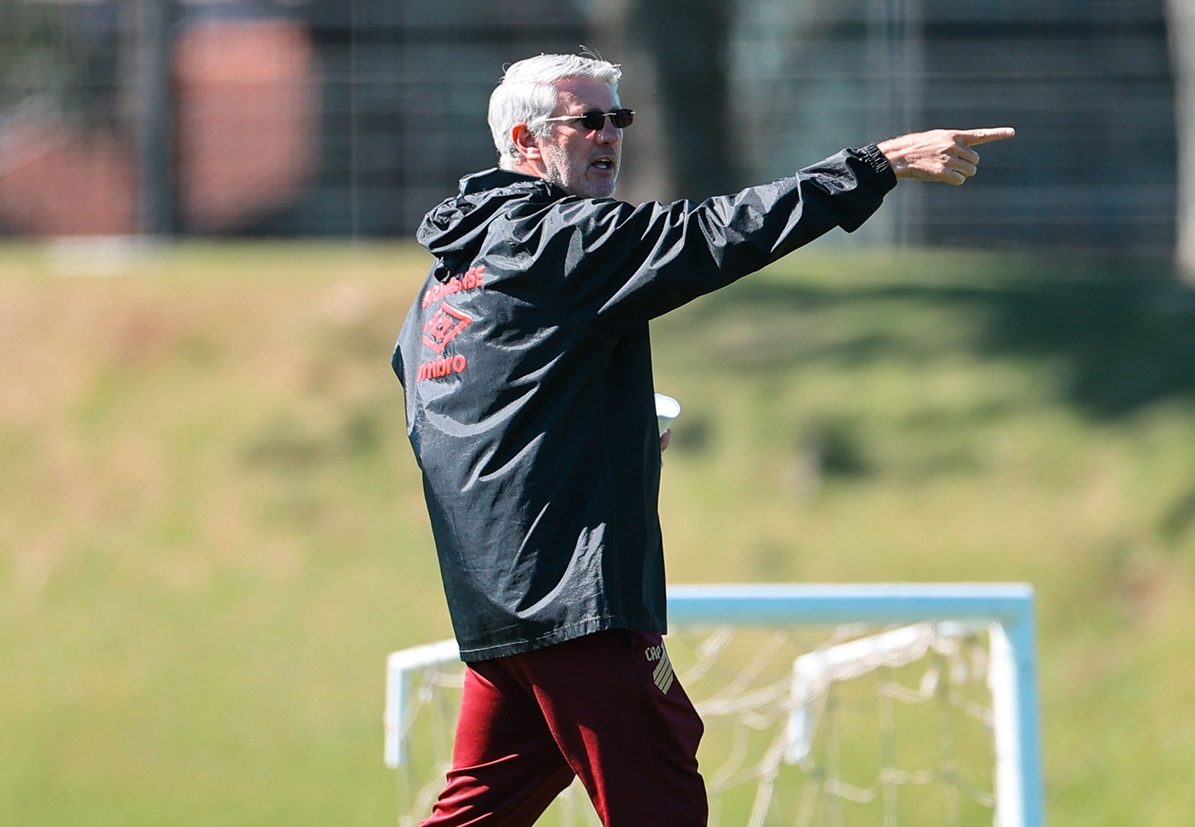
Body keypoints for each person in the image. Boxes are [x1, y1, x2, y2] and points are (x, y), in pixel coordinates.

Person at [392, 52, 1013, 827]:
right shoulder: (559, 238)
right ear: (525, 140)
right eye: (588, 120)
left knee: (473, 817)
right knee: (663, 802)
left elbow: (443, 414)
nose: (611, 134)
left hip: (499, 613)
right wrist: (876, 164)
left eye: (619, 118)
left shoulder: (448, 279)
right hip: (574, 606)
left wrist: (603, 440)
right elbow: (718, 232)